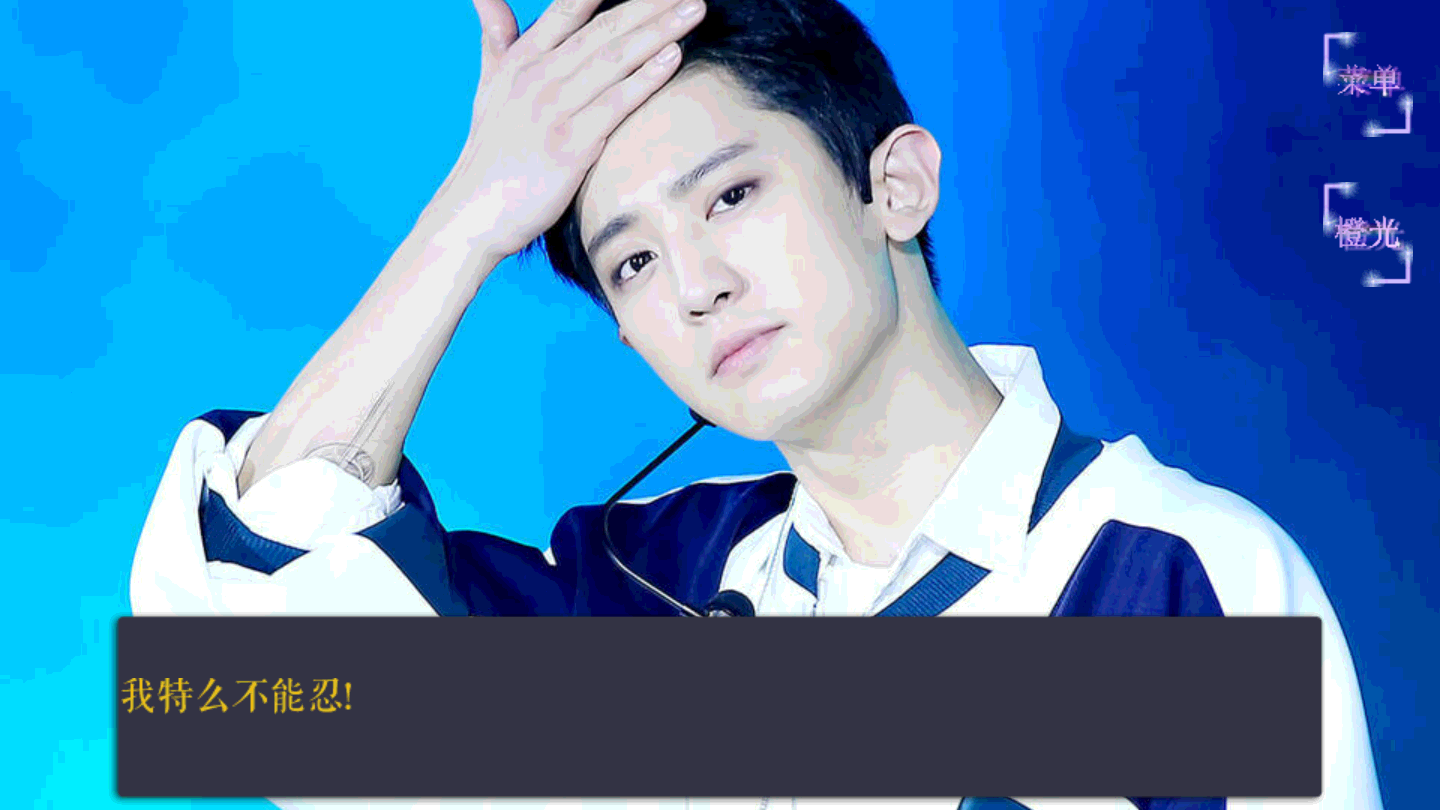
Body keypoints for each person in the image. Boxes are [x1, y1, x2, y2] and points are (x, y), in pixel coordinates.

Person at [128, 0, 1384, 808]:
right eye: (632, 261)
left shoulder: (1177, 580)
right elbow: (233, 676)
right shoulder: (647, 588)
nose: (697, 285)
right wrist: (469, 216)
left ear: (895, 185)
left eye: (731, 196)